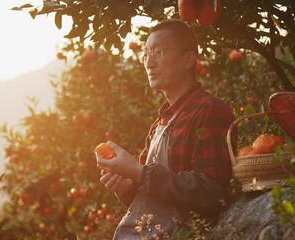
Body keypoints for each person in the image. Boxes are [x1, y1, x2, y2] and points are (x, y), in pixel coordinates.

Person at [95, 19, 237, 239]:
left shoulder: (209, 111)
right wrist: (126, 186)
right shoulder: (160, 124)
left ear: (188, 59)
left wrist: (138, 171)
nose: (149, 63)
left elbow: (210, 193)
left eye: (158, 53)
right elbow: (149, 200)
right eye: (146, 54)